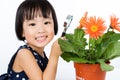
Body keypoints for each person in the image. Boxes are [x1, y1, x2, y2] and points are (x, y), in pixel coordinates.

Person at [6, 0, 62, 80]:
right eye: (32, 24)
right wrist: (54, 55)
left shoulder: (40, 54)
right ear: (22, 31)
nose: (41, 30)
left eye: (46, 23)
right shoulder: (24, 54)